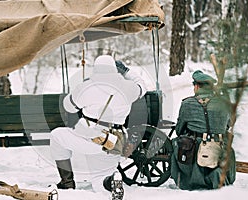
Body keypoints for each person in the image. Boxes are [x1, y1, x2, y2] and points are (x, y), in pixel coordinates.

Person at [49, 55, 148, 199]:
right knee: (100, 177)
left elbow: (68, 106)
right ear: (115, 69)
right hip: (116, 141)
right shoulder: (128, 88)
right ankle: (111, 179)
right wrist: (126, 71)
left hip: (91, 138)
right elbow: (142, 85)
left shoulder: (87, 87)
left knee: (57, 135)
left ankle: (67, 182)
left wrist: (80, 89)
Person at [171, 70, 236, 190]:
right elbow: (228, 125)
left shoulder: (187, 103)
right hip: (219, 146)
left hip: (195, 149)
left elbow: (179, 130)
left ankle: (191, 179)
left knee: (177, 143)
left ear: (196, 86)